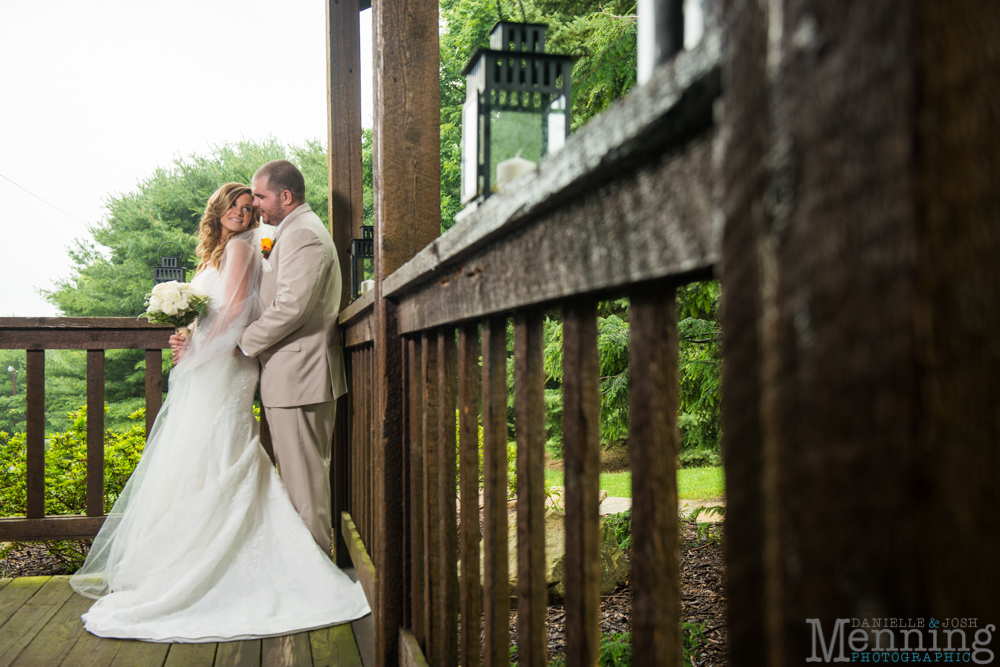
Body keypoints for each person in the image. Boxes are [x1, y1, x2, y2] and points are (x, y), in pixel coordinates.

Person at [69, 182, 369, 643]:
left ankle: (288, 564)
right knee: (202, 455)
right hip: (215, 361)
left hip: (229, 365)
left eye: (251, 208)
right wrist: (186, 332)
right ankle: (195, 553)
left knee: (227, 451)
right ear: (218, 208)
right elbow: (214, 314)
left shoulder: (246, 251)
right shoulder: (222, 251)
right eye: (236, 205)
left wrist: (200, 346)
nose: (244, 213)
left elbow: (232, 315)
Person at [237, 159, 348, 556]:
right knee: (302, 481)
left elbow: (291, 307)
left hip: (300, 375)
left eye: (261, 196)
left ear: (286, 196)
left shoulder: (303, 233)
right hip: (294, 374)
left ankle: (316, 578)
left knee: (305, 487)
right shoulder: (293, 230)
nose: (255, 205)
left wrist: (243, 343)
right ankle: (309, 570)